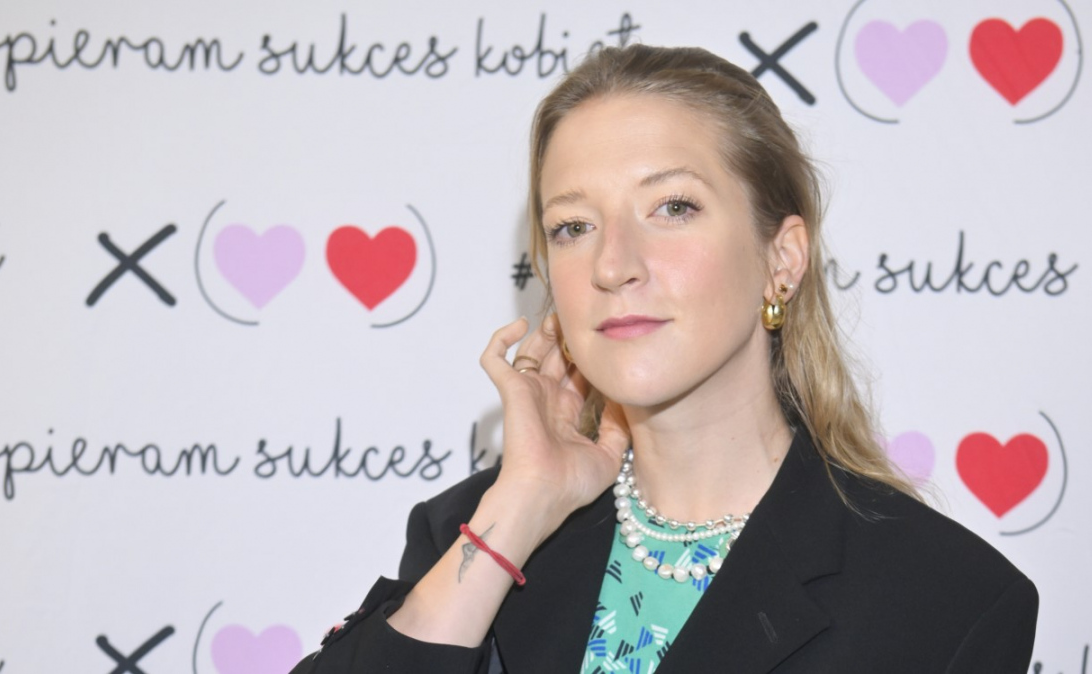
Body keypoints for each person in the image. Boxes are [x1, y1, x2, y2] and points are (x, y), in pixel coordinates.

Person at [290, 44, 1038, 674]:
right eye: (573, 225)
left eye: (673, 207)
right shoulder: (475, 527)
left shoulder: (947, 599)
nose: (613, 265)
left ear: (781, 259)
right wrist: (520, 509)